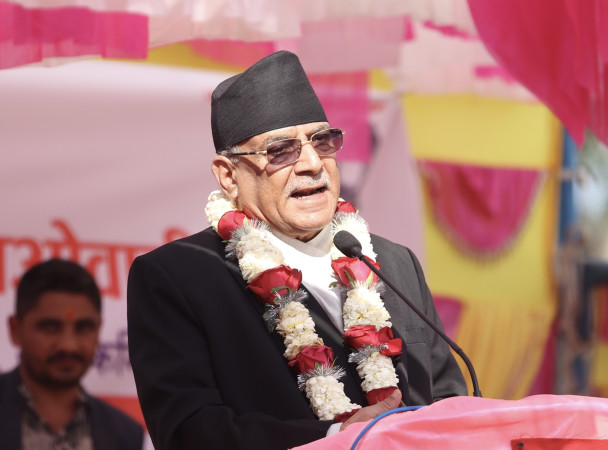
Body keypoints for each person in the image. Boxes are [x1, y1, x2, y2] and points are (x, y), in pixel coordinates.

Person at [127, 50, 467, 450]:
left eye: (322, 142)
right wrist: (335, 439)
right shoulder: (179, 278)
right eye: (280, 150)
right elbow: (190, 432)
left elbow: (449, 402)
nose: (312, 163)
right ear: (229, 176)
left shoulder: (393, 264)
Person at [0, 258, 144, 450]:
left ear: (98, 329)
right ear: (15, 329)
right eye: (50, 327)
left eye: (83, 327)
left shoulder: (125, 434)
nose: (68, 346)